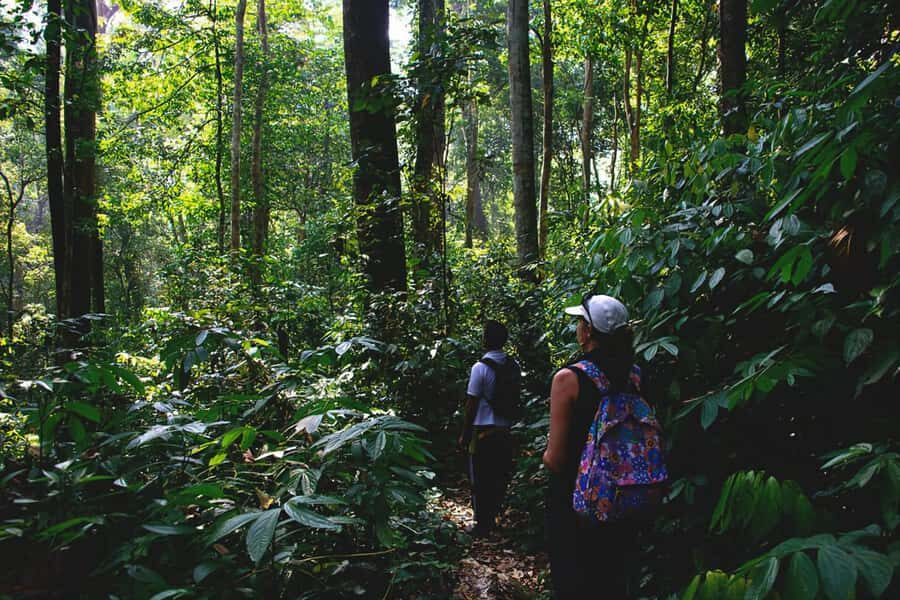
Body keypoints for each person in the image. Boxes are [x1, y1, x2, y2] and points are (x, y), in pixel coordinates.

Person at [543, 294, 642, 598]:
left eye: (579, 322)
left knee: (575, 585)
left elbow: (556, 458)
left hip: (577, 503)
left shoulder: (568, 379)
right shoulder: (636, 376)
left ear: (587, 331)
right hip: (626, 496)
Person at [458, 320, 520, 537]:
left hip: (482, 430)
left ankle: (481, 524)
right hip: (505, 429)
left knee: (480, 477)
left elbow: (471, 404)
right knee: (498, 476)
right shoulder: (513, 365)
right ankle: (493, 518)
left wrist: (465, 434)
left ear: (486, 340)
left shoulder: (480, 368)